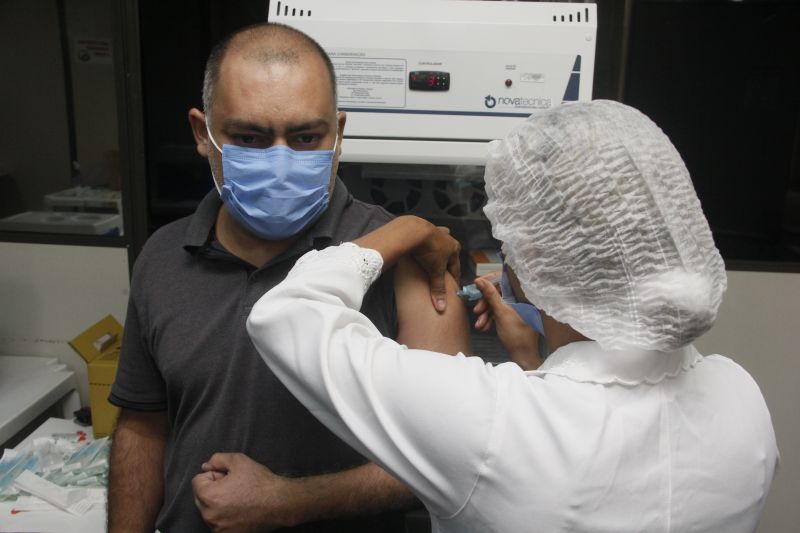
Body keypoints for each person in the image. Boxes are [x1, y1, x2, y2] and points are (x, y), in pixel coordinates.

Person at [247, 100, 779, 533]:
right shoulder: (741, 397)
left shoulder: (491, 423)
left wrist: (406, 229)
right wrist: (533, 360)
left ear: (537, 258)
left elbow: (285, 314)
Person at [107, 22, 470, 533]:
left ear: (338, 133)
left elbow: (451, 458)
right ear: (201, 133)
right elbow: (143, 428)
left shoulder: (411, 261)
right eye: (249, 138)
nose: (280, 161)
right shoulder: (163, 257)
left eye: (305, 137)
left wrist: (290, 501)